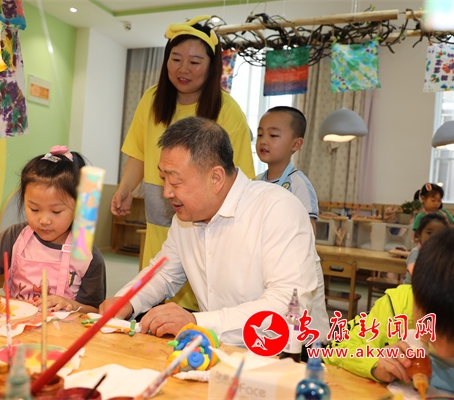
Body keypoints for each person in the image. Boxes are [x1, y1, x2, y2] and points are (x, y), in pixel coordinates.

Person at [100, 116, 329, 346]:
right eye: (163, 179)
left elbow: (289, 307)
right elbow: (164, 274)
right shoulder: (186, 218)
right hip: (221, 348)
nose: (167, 192)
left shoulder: (278, 209)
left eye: (175, 182)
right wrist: (126, 300)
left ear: (216, 178)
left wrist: (196, 322)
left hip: (297, 355)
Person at [111, 15, 255, 311]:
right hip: (160, 233)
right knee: (154, 297)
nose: (183, 69)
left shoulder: (228, 111)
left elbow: (241, 183)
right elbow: (138, 151)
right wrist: (126, 188)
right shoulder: (151, 100)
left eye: (194, 62)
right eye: (176, 59)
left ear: (212, 66)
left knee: (199, 314)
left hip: (207, 237)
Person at [324, 225, 454, 398]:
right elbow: (336, 348)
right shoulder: (396, 307)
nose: (443, 350)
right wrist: (375, 361)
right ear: (416, 296)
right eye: (431, 334)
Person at [0, 146, 106, 313]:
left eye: (56, 211)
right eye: (34, 209)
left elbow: (94, 311)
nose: (44, 220)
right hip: (15, 324)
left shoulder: (87, 255)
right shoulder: (13, 237)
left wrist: (72, 305)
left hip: (62, 329)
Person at [255, 106, 318, 234]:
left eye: (273, 135)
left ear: (296, 144)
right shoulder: (256, 182)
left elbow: (309, 234)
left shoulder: (299, 185)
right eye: (260, 135)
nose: (263, 141)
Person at [403, 213, 448, 284]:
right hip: (412, 287)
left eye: (439, 233)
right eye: (429, 233)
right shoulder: (416, 252)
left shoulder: (444, 254)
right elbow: (414, 272)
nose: (434, 237)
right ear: (419, 234)